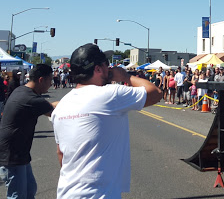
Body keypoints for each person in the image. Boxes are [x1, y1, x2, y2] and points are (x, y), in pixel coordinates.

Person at [51, 43, 161, 199]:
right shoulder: (110, 94)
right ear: (97, 69)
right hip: (99, 194)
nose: (109, 68)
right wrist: (125, 76)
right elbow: (155, 93)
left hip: (66, 192)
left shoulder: (62, 106)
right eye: (106, 64)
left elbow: (60, 153)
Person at [0, 64, 58, 199]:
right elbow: (54, 111)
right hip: (12, 155)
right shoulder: (30, 99)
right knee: (18, 195)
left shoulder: (22, 91)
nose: (51, 84)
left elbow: (49, 106)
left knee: (29, 190)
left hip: (19, 153)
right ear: (41, 80)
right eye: (50, 80)